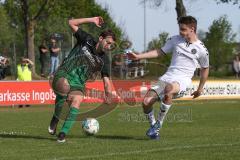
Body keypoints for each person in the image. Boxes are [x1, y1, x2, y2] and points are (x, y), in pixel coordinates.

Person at [128, 16, 209, 140]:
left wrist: (200, 88)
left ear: (192, 29)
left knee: (169, 90)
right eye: (180, 29)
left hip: (182, 80)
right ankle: (154, 129)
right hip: (167, 76)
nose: (180, 32)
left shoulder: (202, 49)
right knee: (146, 102)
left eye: (183, 29)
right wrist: (138, 56)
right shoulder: (175, 40)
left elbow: (205, 68)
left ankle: (158, 125)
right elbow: (159, 52)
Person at [48, 16, 116, 142]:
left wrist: (108, 95)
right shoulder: (87, 39)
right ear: (101, 39)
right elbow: (71, 23)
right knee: (64, 86)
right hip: (65, 72)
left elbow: (106, 81)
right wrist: (92, 20)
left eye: (111, 45)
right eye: (108, 42)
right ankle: (56, 117)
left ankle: (62, 134)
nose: (108, 46)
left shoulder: (104, 60)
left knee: (77, 100)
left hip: (78, 83)